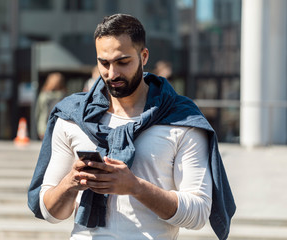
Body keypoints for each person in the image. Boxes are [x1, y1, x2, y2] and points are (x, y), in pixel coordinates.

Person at [28, 14, 235, 240]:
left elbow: (198, 214)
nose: (112, 73)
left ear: (144, 56)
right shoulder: (72, 117)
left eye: (123, 62)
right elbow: (50, 213)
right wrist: (71, 182)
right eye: (104, 63)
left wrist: (135, 187)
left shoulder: (181, 118)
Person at [35, 72, 66, 140]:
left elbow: (38, 111)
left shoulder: (43, 95)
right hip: (59, 126)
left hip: (44, 126)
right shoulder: (64, 96)